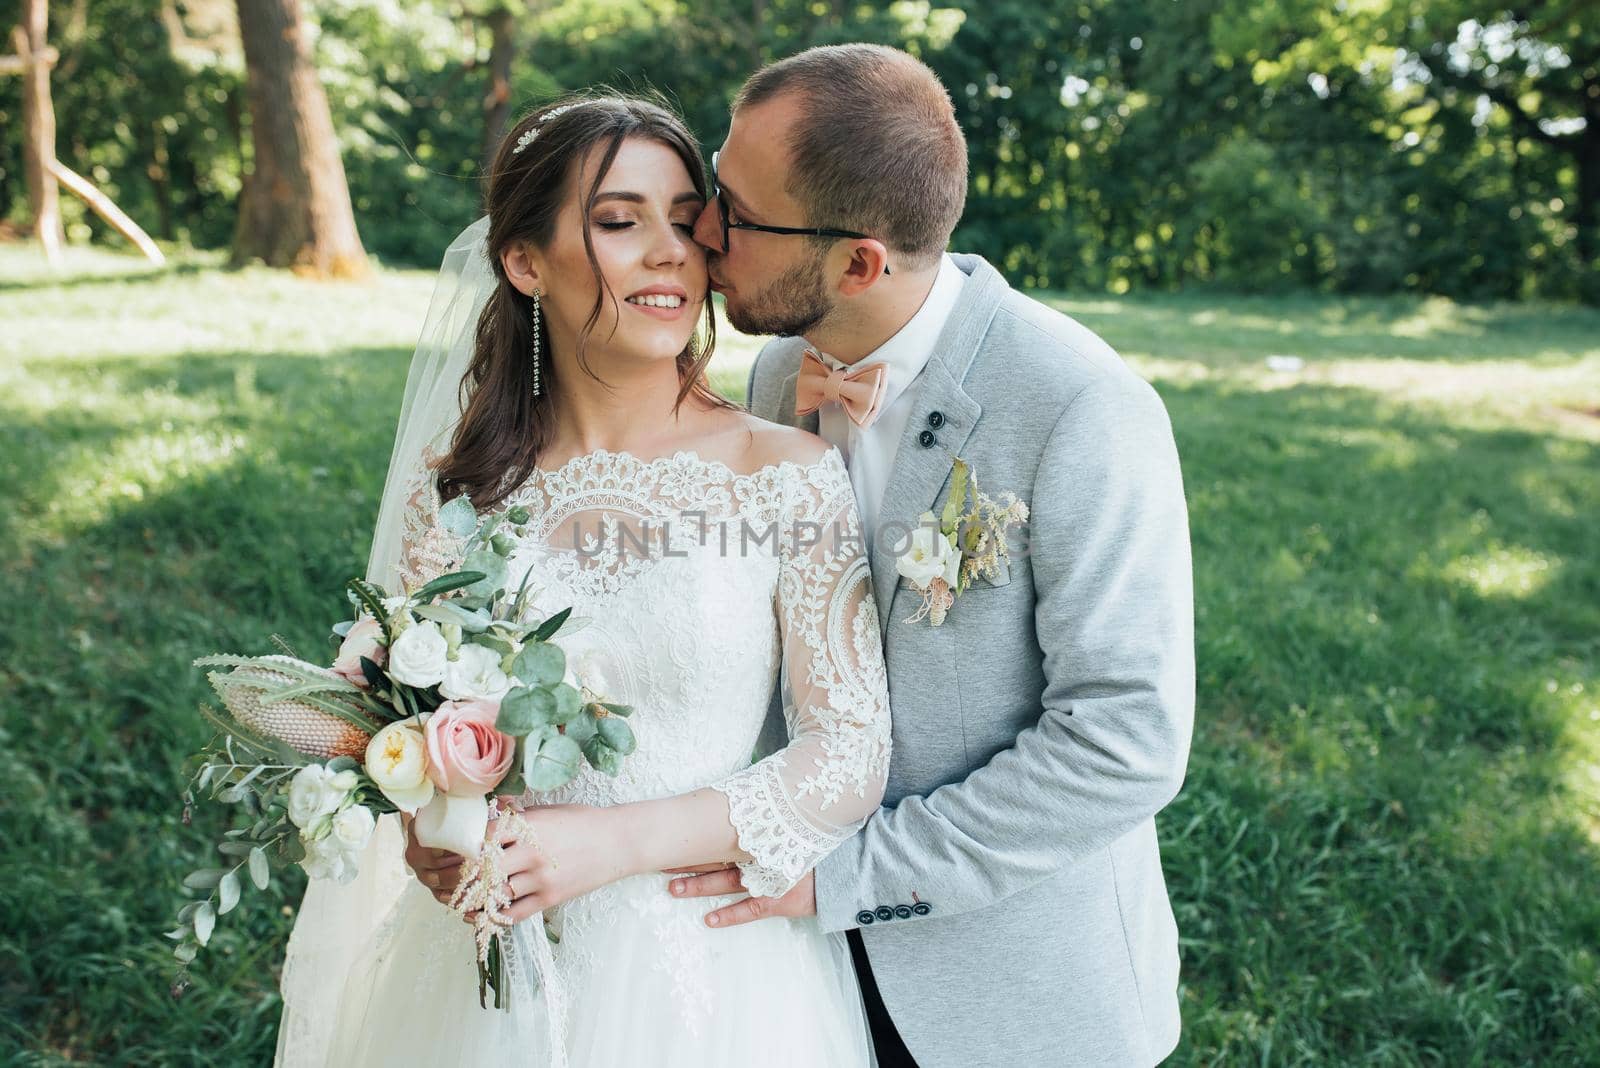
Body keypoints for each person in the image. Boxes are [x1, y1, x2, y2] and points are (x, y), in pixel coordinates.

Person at [274, 95, 892, 1067]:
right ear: (524, 261)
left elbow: (851, 751)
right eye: (618, 222)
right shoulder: (459, 490)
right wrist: (431, 835)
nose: (670, 252)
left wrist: (619, 845)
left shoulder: (783, 473)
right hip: (485, 970)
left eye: (689, 221)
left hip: (708, 969)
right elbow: (392, 724)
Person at [667, 45, 1195, 1067]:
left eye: (735, 211)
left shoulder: (1082, 407)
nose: (700, 229)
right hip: (792, 980)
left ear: (859, 262)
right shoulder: (780, 371)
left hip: (1011, 995)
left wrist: (847, 876)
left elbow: (1124, 738)